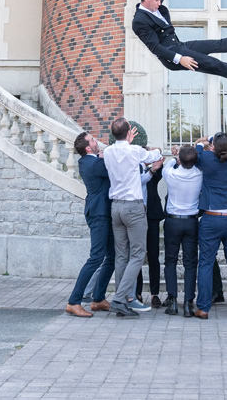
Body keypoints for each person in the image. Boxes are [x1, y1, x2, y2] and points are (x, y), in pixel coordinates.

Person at [104, 117, 164, 318]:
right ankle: (120, 298)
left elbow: (121, 149)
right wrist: (135, 142)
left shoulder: (108, 151)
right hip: (133, 207)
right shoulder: (135, 151)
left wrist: (126, 138)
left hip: (116, 207)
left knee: (121, 255)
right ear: (129, 133)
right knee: (138, 254)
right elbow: (154, 154)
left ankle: (126, 297)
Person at [193, 133, 227, 319]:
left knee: (206, 263)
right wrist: (212, 143)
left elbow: (197, 152)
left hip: (211, 217)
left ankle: (203, 308)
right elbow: (224, 147)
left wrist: (201, 144)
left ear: (213, 147)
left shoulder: (206, 158)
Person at [64, 132, 115, 317]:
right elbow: (113, 169)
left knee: (112, 257)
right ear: (88, 148)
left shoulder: (93, 161)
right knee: (96, 258)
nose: (96, 141)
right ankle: (73, 301)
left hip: (104, 213)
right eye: (93, 140)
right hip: (98, 214)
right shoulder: (91, 163)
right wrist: (105, 156)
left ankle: (98, 299)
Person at [161, 144, 203, 316]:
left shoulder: (171, 173)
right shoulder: (200, 174)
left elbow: (167, 164)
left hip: (173, 221)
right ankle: (188, 302)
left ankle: (172, 300)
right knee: (190, 263)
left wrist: (175, 157)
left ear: (180, 159)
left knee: (170, 261)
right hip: (191, 221)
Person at [136, 157, 164, 307]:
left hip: (152, 215)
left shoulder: (151, 168)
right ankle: (137, 292)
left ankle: (155, 293)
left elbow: (159, 174)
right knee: (136, 256)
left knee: (153, 255)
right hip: (135, 214)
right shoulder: (132, 167)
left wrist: (154, 165)